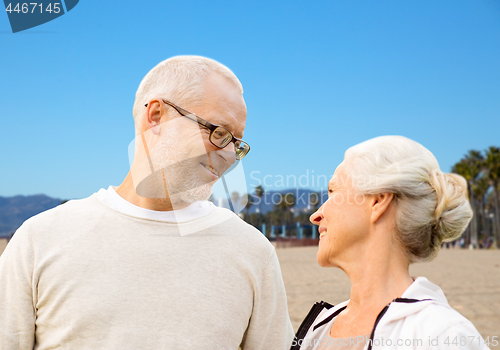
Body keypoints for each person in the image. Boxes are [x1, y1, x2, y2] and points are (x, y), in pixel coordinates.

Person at [0, 56, 294, 349]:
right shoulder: (40, 239)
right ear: (156, 116)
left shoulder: (253, 252)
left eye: (237, 143)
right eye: (218, 133)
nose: (229, 156)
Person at [291, 136, 490, 350]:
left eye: (333, 192)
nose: (316, 215)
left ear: (378, 200)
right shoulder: (318, 329)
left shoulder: (442, 336)